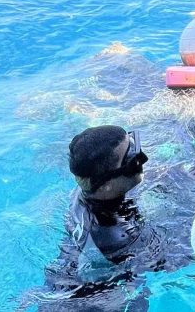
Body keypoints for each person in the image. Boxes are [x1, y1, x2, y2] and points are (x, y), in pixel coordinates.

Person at [43, 125, 158, 295]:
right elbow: (163, 263)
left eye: (135, 146)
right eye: (132, 159)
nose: (144, 159)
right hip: (90, 299)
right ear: (107, 186)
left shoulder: (87, 188)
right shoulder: (114, 238)